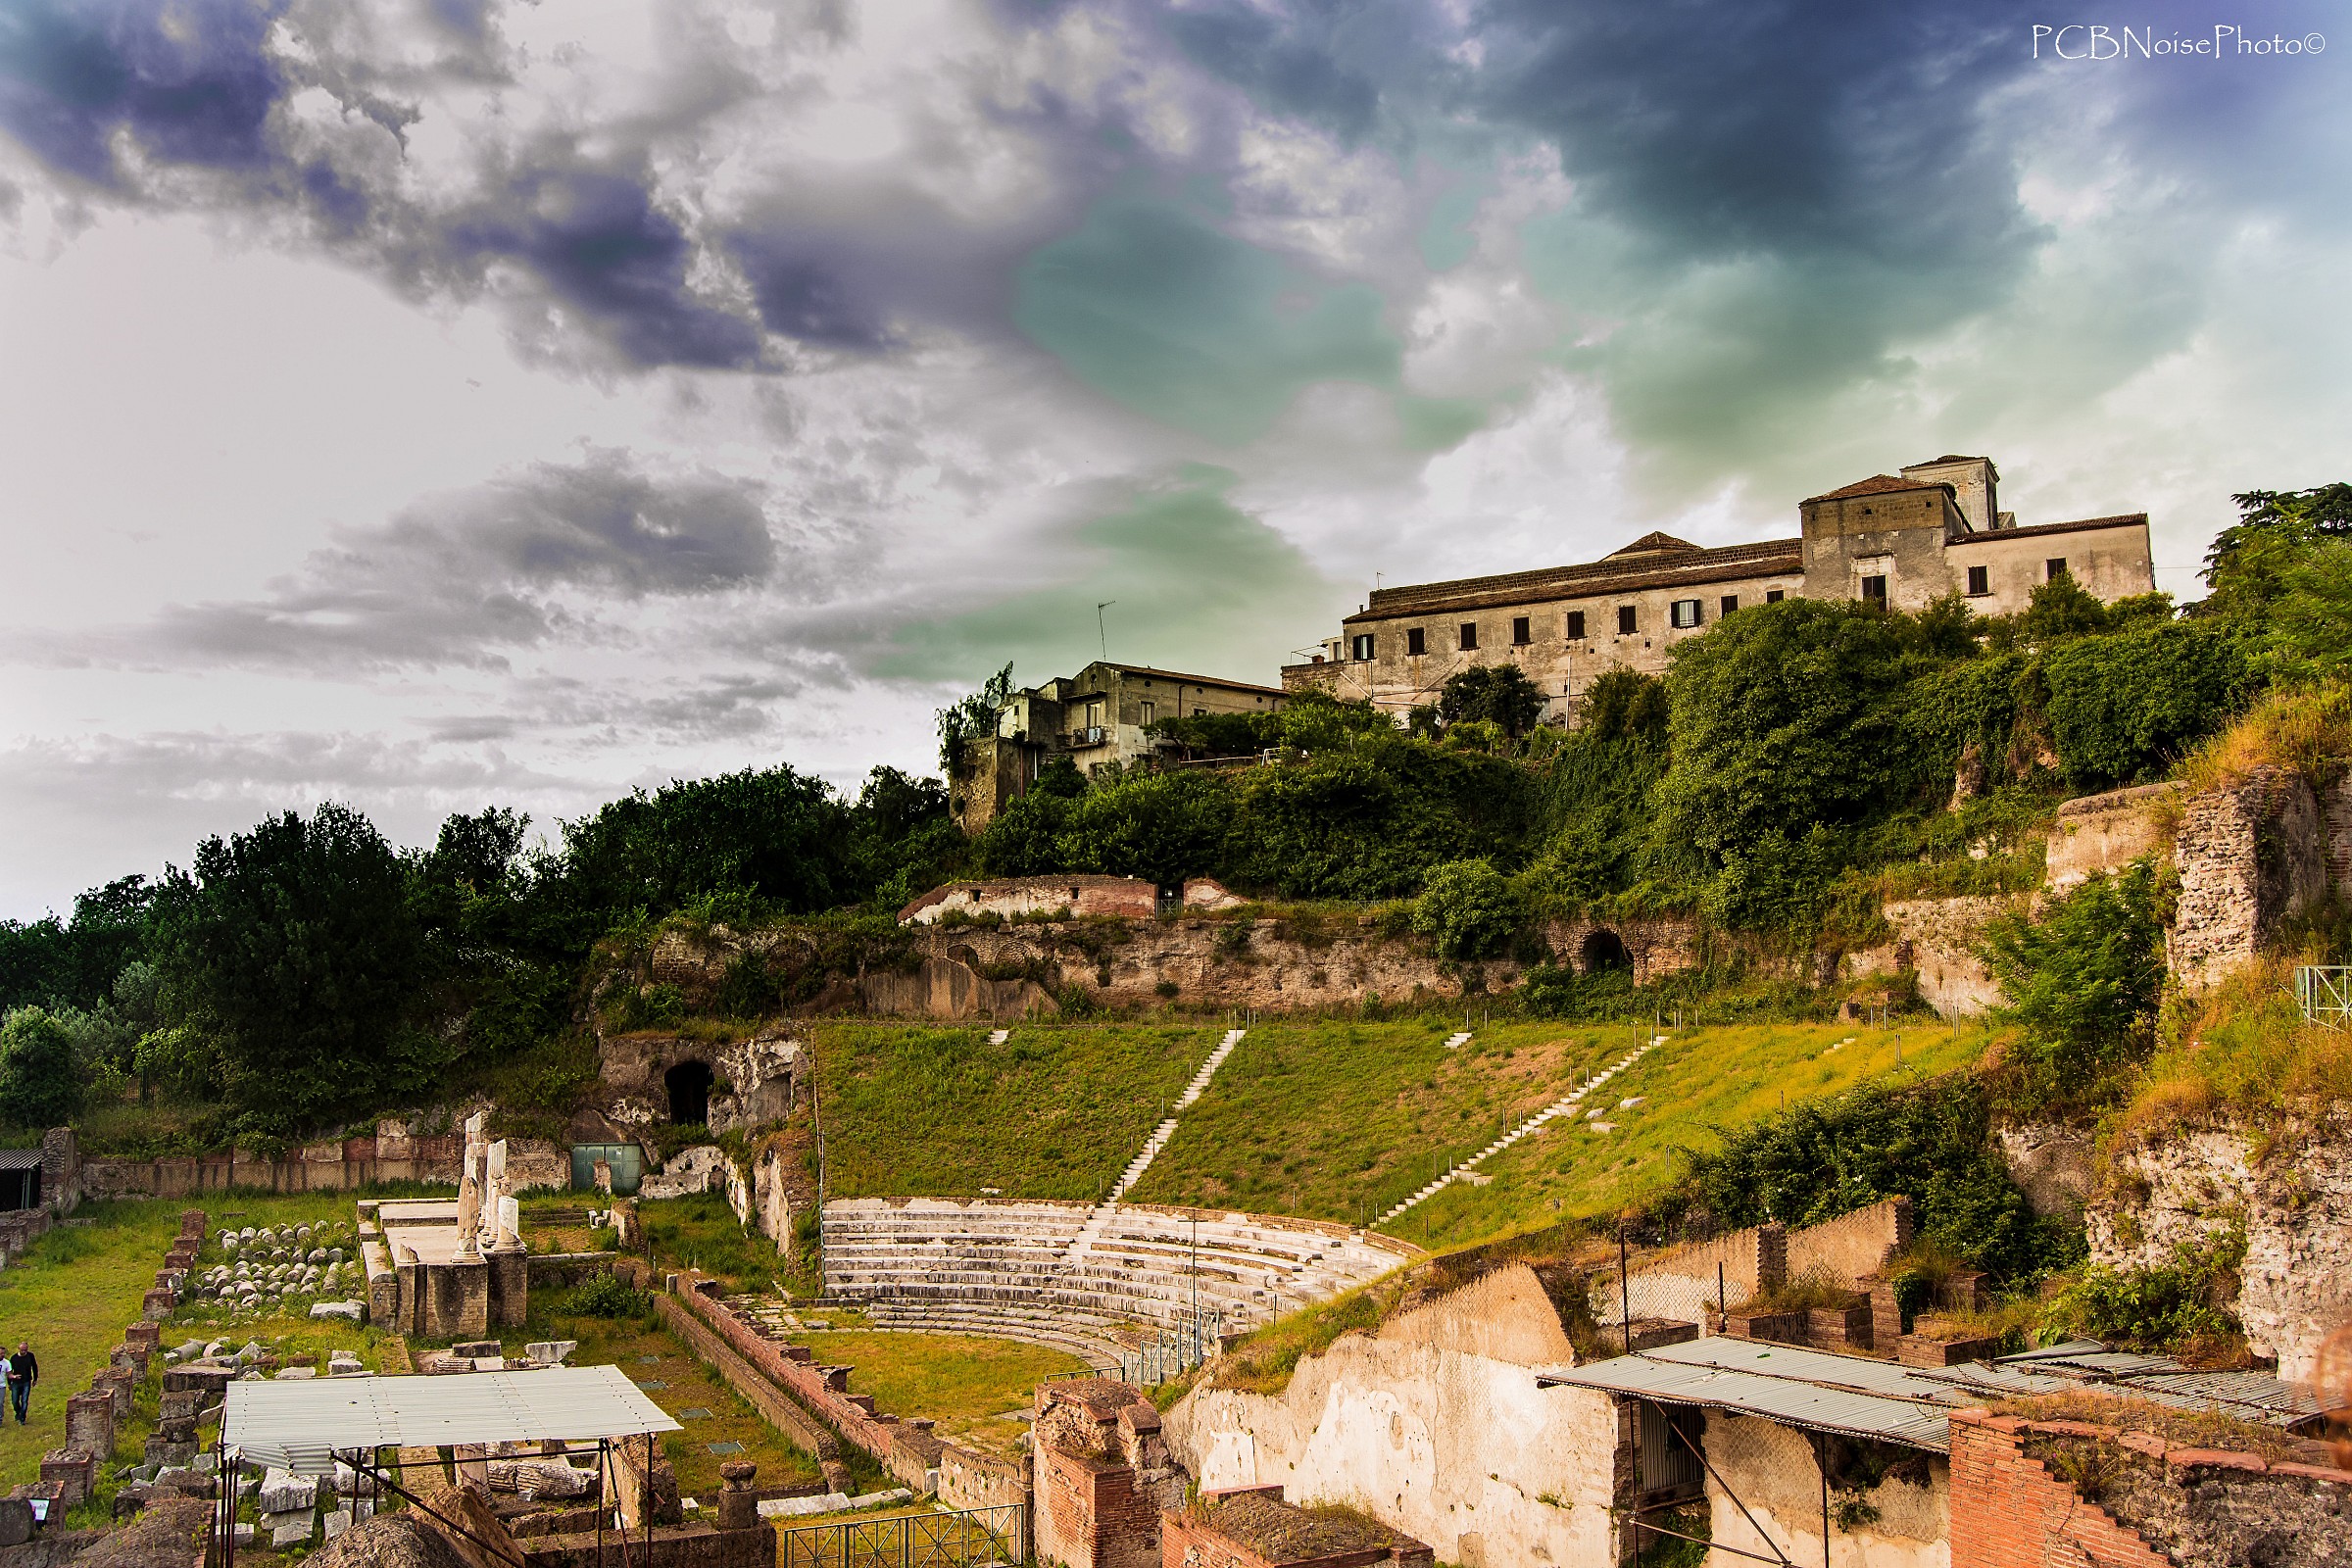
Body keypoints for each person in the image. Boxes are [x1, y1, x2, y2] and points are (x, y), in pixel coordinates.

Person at [8, 1342, 33, 1425]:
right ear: (19, 1349)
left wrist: (35, 1378)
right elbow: (9, 1371)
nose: (24, 1352)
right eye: (22, 1350)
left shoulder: (30, 1356)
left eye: (25, 1350)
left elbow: (34, 1366)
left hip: (26, 1381)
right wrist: (9, 1383)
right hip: (16, 1382)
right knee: (14, 1401)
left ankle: (22, 1418)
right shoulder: (14, 1358)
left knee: (24, 1400)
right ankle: (18, 1412)